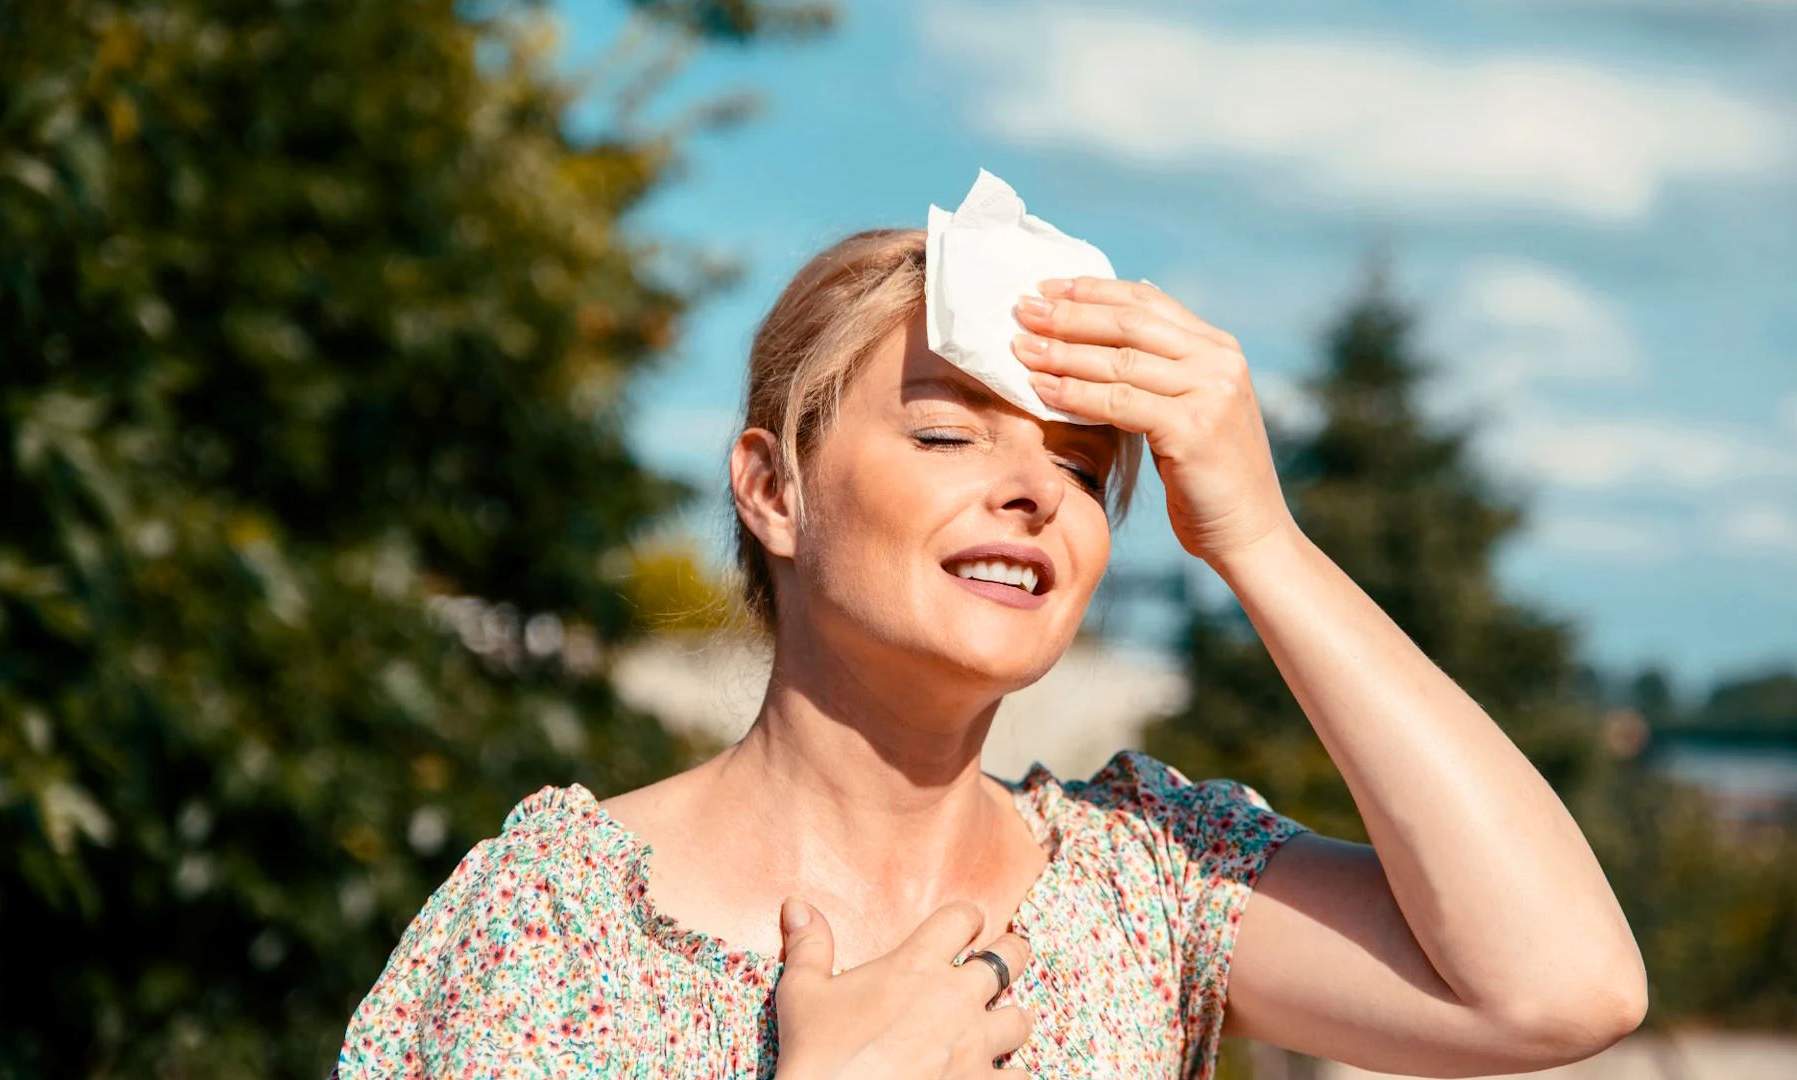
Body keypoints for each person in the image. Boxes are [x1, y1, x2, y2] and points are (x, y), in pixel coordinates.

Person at [333, 229, 1647, 1078]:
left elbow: (1560, 989)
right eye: (948, 436)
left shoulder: (1150, 888)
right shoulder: (546, 926)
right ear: (773, 490)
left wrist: (1257, 535)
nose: (1032, 491)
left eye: (1082, 468)